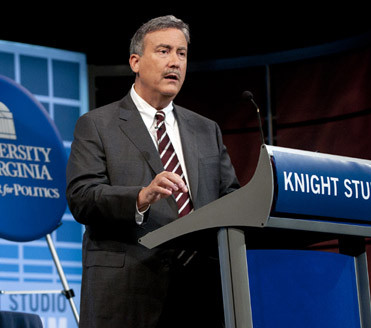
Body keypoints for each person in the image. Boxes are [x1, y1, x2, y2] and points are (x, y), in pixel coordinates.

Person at [66, 15, 240, 327]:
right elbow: (82, 197)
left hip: (201, 295)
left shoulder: (206, 130)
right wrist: (142, 197)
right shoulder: (97, 124)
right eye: (163, 51)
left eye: (182, 53)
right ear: (135, 61)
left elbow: (231, 200)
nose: (175, 62)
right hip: (128, 295)